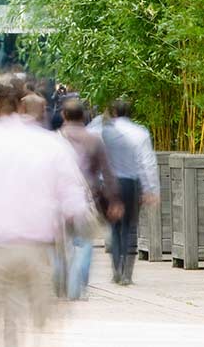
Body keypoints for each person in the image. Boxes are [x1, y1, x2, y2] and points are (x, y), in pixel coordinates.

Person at [0, 75, 89, 347]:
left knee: (0, 320)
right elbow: (74, 200)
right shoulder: (48, 143)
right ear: (24, 102)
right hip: (35, 250)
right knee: (37, 323)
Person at [55, 99, 120, 300]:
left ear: (64, 116)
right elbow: (107, 173)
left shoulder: (54, 140)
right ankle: (78, 286)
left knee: (59, 244)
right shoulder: (94, 140)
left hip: (58, 200)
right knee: (83, 244)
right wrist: (115, 200)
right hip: (86, 200)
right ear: (83, 117)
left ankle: (60, 283)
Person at [99, 100, 159, 286]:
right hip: (130, 183)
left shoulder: (104, 132)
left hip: (110, 184)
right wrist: (151, 189)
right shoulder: (140, 132)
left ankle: (116, 267)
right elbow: (146, 162)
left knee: (114, 227)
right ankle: (127, 273)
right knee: (130, 227)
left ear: (114, 112)